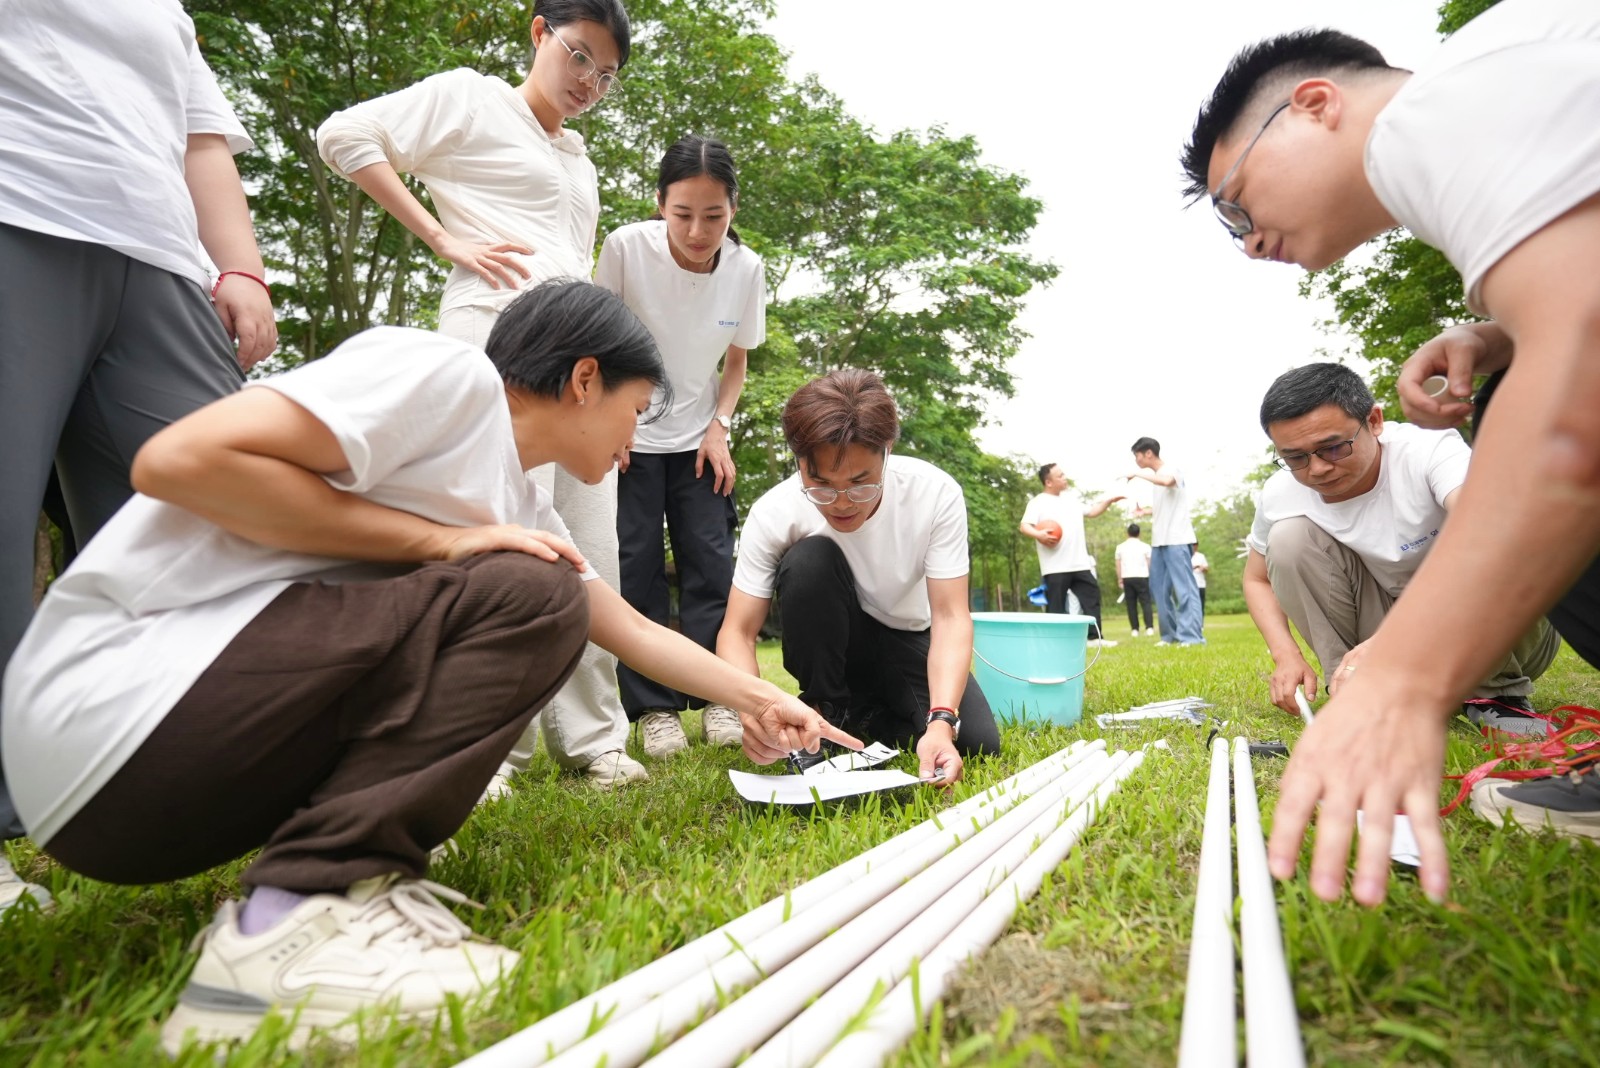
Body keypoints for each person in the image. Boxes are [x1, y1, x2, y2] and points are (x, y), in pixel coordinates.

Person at [0, 280, 857, 1052]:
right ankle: (292, 924)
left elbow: (630, 629)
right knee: (534, 591)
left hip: (137, 803)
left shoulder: (519, 505)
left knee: (539, 584)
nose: (634, 439)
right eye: (635, 409)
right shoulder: (445, 376)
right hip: (116, 713)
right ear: (585, 379)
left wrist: (762, 699)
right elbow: (178, 461)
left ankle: (336, 891)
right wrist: (436, 541)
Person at [1180, 0, 1600, 905]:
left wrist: (1405, 680)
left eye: (1236, 205)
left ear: (1315, 105)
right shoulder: (1496, 96)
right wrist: (1495, 337)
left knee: (1523, 434)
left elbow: (1582, 388)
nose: (1247, 244)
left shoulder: (1433, 115)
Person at [317, 0, 646, 788]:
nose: (589, 82)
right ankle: (488, 746)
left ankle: (596, 739)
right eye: (579, 56)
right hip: (497, 341)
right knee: (501, 538)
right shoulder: (471, 98)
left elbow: (575, 264)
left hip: (581, 365)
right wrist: (441, 237)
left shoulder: (579, 160)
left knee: (592, 543)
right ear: (539, 33)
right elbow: (344, 136)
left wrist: (614, 400)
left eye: (606, 75)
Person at [0, 0, 277, 914]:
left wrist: (240, 267)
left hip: (160, 259)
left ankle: (253, 790)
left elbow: (201, 137)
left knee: (237, 532)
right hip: (14, 204)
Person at [716, 370, 1001, 784]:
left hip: (907, 635)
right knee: (810, 560)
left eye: (860, 483)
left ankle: (863, 716)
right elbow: (738, 632)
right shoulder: (773, 512)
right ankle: (827, 708)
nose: (842, 503)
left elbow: (951, 616)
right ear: (798, 460)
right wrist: (754, 710)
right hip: (832, 641)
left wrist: (941, 721)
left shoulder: (934, 493)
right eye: (821, 485)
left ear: (887, 451)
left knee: (976, 741)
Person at [1244, 362, 1558, 733]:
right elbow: (1257, 579)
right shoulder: (1281, 493)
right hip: (1384, 630)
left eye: (1332, 448)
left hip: (1499, 637)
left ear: (1374, 421)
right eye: (1295, 457)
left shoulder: (1429, 449)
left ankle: (1496, 696)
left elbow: (1493, 536)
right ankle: (1359, 692)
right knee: (1288, 540)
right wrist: (1286, 655)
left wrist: (1396, 638)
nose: (1316, 470)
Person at [596, 136, 766, 759]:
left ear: (733, 208)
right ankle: (654, 710)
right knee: (635, 568)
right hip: (631, 436)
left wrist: (720, 425)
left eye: (714, 216)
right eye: (683, 214)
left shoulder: (746, 269)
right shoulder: (625, 249)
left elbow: (736, 363)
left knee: (711, 567)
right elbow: (599, 342)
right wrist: (614, 423)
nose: (698, 231)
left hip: (699, 442)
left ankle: (719, 696)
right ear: (660, 204)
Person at [1019, 464, 1124, 645]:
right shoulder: (1037, 502)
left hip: (1079, 563)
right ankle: (1055, 641)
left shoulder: (1071, 500)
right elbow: (1024, 526)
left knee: (1092, 597)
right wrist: (1039, 534)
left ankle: (1094, 638)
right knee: (1056, 606)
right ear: (1048, 482)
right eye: (1060, 476)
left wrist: (1108, 501)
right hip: (1055, 566)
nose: (1064, 478)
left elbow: (1092, 511)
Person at [1125, 438, 1204, 645]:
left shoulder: (1171, 469)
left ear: (1148, 453)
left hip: (1178, 540)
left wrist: (1138, 475)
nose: (1136, 461)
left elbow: (1169, 481)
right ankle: (1170, 636)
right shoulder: (1157, 477)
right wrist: (1145, 512)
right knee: (1159, 590)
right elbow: (1166, 504)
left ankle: (1192, 637)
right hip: (1159, 542)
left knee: (1184, 589)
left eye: (1137, 455)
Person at [1116, 523, 1155, 636]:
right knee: (1146, 602)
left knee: (1131, 604)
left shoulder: (1120, 547)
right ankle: (1149, 627)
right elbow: (1149, 563)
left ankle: (1134, 629)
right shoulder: (1145, 546)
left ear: (1127, 533)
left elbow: (1118, 564)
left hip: (1127, 577)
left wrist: (1119, 578)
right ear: (1139, 533)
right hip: (1142, 576)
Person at [1190, 542, 1210, 617]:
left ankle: (1200, 621)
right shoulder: (1186, 556)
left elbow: (1207, 569)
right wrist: (1194, 567)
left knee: (1201, 604)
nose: (1194, 547)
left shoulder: (1201, 556)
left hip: (1200, 584)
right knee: (1192, 605)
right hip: (1190, 584)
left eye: (1195, 545)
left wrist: (1202, 568)